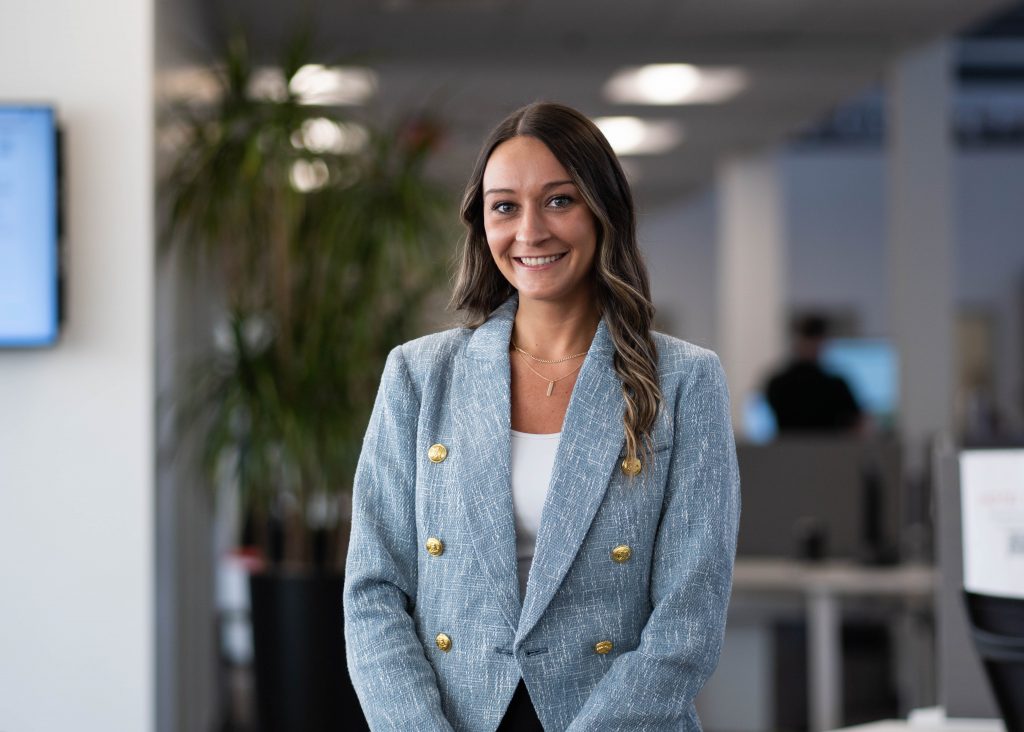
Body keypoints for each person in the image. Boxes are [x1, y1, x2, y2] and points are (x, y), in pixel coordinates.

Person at [343, 102, 740, 731]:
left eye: (559, 200)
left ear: (603, 211)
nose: (530, 231)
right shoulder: (421, 376)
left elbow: (689, 616)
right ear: (483, 225)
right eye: (505, 206)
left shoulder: (685, 380)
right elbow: (374, 591)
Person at [765, 315, 863, 434]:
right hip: (827, 451)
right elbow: (857, 424)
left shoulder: (777, 383)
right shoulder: (836, 386)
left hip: (789, 451)